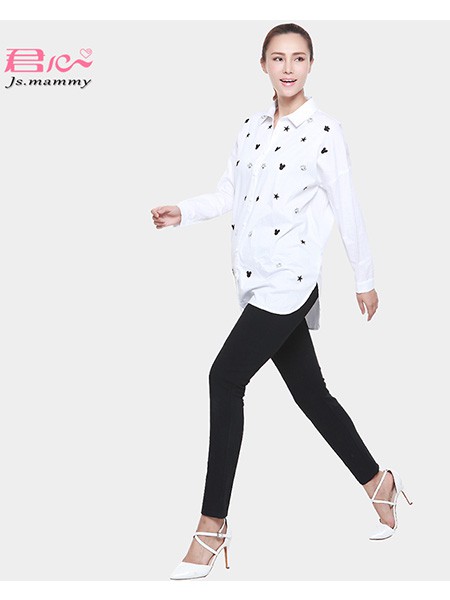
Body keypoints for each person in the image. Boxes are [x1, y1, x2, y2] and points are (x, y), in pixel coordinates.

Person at [152, 23, 413, 581]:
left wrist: (364, 279)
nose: (288, 67)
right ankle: (379, 482)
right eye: (278, 58)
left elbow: (347, 205)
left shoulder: (324, 131)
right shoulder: (248, 128)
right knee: (312, 394)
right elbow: (229, 192)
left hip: (291, 282)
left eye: (298, 58)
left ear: (311, 65)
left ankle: (211, 526)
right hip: (254, 278)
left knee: (224, 378)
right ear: (264, 65)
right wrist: (184, 211)